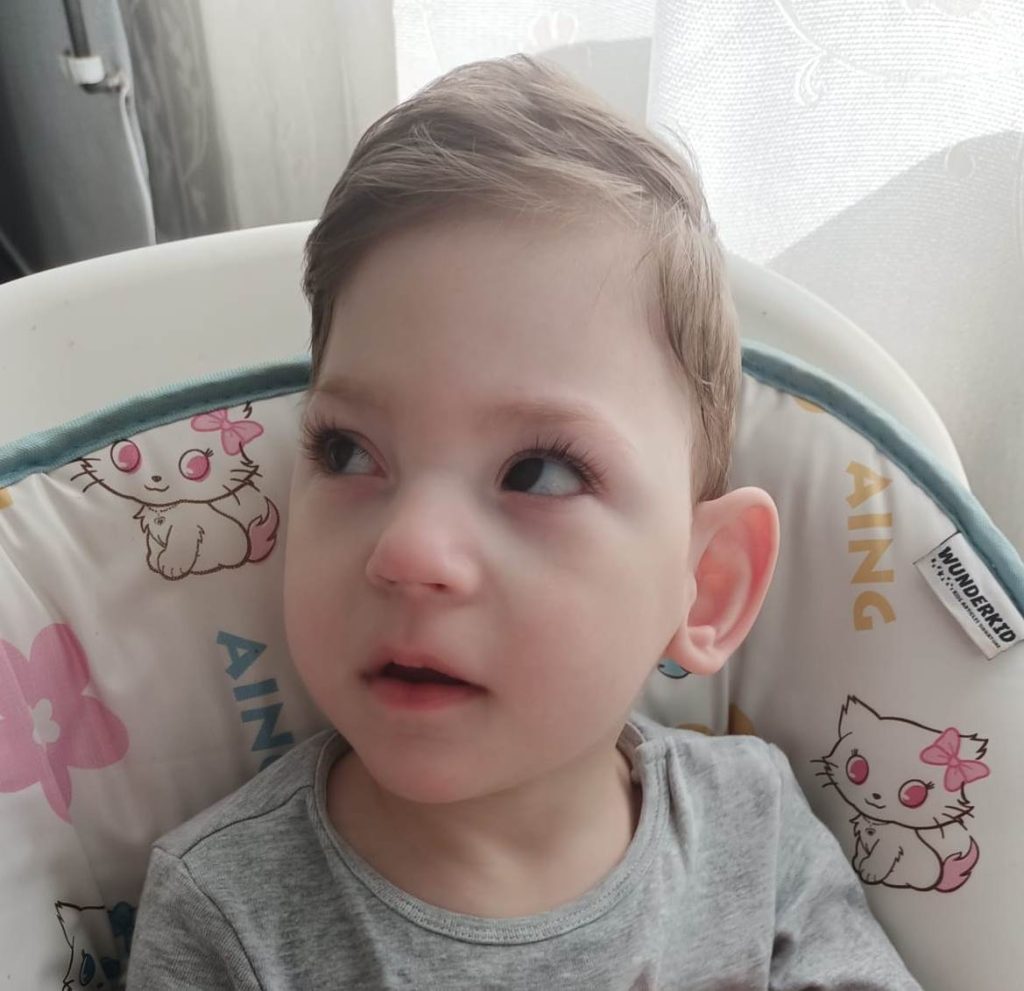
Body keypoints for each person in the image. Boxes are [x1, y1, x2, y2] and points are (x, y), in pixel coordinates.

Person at [127, 55, 922, 989]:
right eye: (347, 452)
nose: (408, 550)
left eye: (538, 471)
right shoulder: (224, 912)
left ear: (705, 586)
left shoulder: (754, 826)